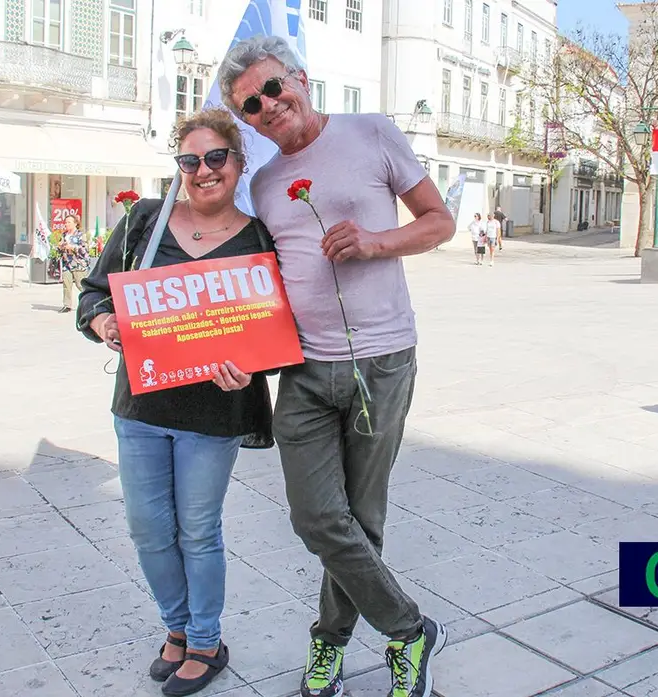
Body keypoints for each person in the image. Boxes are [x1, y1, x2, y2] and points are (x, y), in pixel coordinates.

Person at [220, 34, 455, 697]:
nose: (268, 106)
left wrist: (376, 241)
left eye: (272, 89)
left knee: (363, 516)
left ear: (299, 77)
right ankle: (409, 630)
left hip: (380, 360)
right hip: (302, 369)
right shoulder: (263, 185)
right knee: (319, 516)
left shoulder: (373, 132)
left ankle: (328, 644)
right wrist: (233, 350)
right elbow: (258, 287)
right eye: (251, 107)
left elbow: (440, 222)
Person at [74, 108, 276, 696]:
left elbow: (272, 328)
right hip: (140, 407)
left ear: (238, 163)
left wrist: (253, 366)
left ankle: (206, 641)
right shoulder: (143, 222)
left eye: (217, 157)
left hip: (213, 414)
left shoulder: (260, 237)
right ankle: (176, 628)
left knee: (198, 529)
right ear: (179, 167)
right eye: (190, 160)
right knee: (146, 529)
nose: (204, 170)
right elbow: (92, 293)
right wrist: (105, 321)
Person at [56, 214, 91, 314]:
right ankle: (67, 305)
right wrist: (60, 247)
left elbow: (85, 249)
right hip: (67, 264)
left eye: (69, 222)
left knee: (81, 285)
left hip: (78, 264)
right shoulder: (64, 235)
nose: (66, 224)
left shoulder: (80, 235)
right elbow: (60, 249)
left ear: (75, 223)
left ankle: (89, 302)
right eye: (66, 222)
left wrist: (73, 247)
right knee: (66, 284)